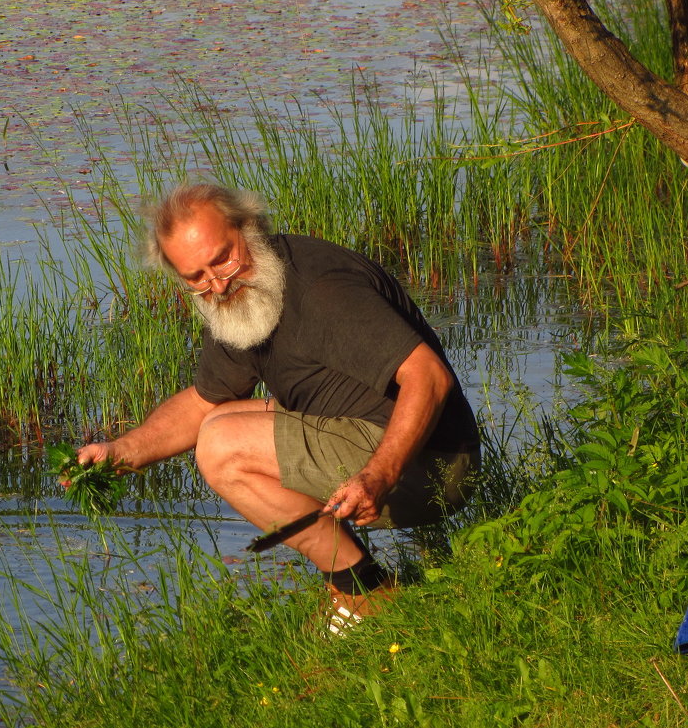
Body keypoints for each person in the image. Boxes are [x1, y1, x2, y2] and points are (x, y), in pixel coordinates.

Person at [77, 181, 480, 634]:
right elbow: (204, 401)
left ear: (249, 229)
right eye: (196, 278)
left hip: (432, 466)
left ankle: (363, 592)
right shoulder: (240, 298)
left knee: (222, 446)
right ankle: (363, 588)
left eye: (223, 258)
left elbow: (428, 375)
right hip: (375, 441)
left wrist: (379, 474)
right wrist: (120, 451)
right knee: (221, 419)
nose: (218, 284)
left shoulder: (321, 288)